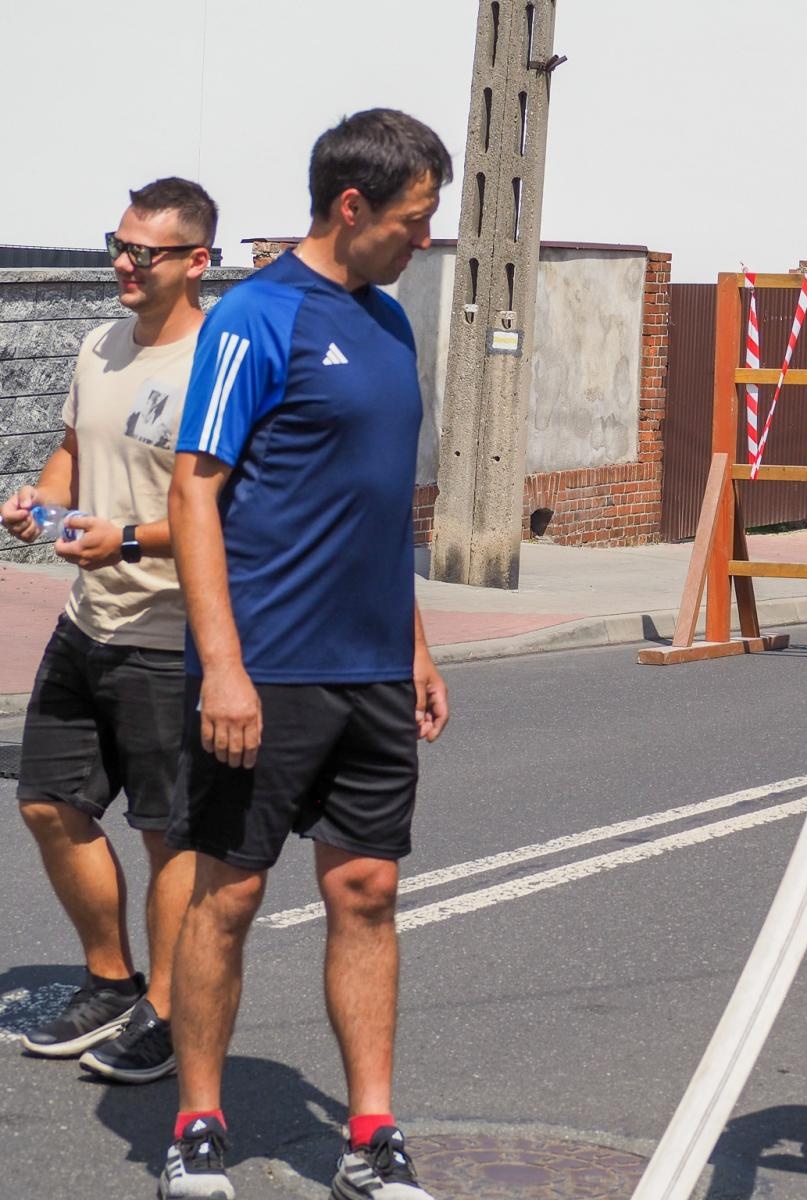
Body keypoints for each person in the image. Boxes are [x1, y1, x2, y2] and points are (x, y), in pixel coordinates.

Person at [159, 109, 452, 1200]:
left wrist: (415, 643)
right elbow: (196, 490)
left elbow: (381, 505)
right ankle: (197, 1121)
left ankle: (371, 1134)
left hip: (371, 667)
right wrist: (221, 666)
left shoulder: (389, 323)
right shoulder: (257, 318)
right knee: (228, 898)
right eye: (415, 220)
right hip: (266, 667)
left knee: (368, 888)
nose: (425, 239)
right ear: (350, 205)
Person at [3, 179, 217, 1084]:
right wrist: (42, 504)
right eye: (117, 244)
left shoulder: (217, 361)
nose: (123, 263)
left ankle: (167, 1013)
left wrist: (126, 536)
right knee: (49, 803)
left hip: (174, 638)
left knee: (167, 834)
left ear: (197, 261)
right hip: (88, 622)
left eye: (145, 251)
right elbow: (73, 450)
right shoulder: (97, 344)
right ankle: (110, 980)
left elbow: (227, 509)